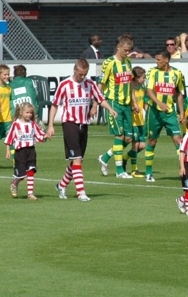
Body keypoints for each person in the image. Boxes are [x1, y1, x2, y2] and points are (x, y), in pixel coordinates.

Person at [47, 59, 117, 203]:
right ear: (74, 69)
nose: (82, 77)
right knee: (77, 159)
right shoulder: (65, 84)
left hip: (84, 124)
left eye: (85, 74)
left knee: (77, 161)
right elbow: (54, 105)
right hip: (70, 123)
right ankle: (81, 193)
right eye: (80, 74)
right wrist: (51, 125)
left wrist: (110, 109)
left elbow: (100, 98)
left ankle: (61, 185)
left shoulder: (89, 84)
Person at [144, 49, 186, 182]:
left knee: (178, 140)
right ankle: (149, 173)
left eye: (158, 60)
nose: (156, 62)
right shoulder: (153, 72)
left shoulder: (177, 74)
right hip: (154, 111)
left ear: (166, 60)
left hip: (169, 112)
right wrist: (159, 103)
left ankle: (184, 170)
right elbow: (149, 91)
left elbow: (179, 93)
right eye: (156, 59)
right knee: (152, 141)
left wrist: (182, 112)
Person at [97, 35, 135, 179]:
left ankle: (105, 157)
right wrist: (95, 103)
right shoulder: (109, 63)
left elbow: (130, 83)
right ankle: (120, 171)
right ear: (118, 47)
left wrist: (134, 102)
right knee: (119, 136)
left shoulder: (128, 62)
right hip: (114, 103)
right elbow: (101, 83)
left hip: (126, 104)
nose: (127, 52)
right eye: (125, 50)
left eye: (129, 50)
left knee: (128, 139)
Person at [5, 103, 46, 201]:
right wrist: (8, 151)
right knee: (21, 175)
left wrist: (46, 136)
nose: (29, 115)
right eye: (27, 113)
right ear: (21, 112)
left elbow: (39, 134)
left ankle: (30, 193)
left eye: (31, 113)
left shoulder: (32, 124)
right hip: (20, 152)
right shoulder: (16, 124)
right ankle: (15, 182)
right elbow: (9, 137)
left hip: (31, 150)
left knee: (31, 171)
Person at [128, 66, 148, 178]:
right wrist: (132, 108)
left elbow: (145, 101)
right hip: (133, 121)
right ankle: (134, 169)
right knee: (135, 144)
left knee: (142, 145)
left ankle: (125, 158)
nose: (144, 79)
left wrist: (146, 111)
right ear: (136, 78)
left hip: (141, 120)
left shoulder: (142, 88)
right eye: (143, 77)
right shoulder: (130, 89)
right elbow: (128, 104)